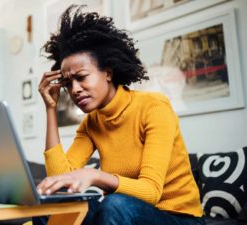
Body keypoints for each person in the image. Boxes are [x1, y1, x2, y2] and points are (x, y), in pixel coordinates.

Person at [35, 5, 205, 225]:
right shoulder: (92, 124)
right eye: (68, 83)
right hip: (123, 213)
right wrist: (50, 109)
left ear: (107, 73)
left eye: (82, 77)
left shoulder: (154, 107)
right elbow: (61, 179)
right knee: (52, 206)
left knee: (115, 204)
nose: (74, 89)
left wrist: (95, 176)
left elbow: (151, 191)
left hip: (179, 218)